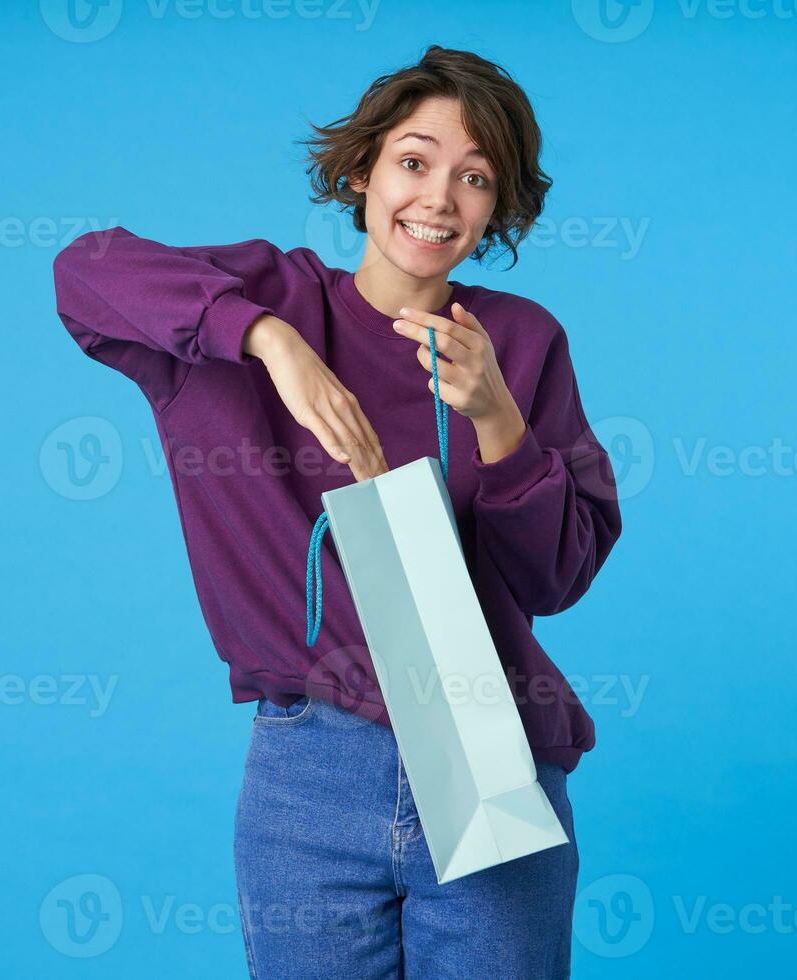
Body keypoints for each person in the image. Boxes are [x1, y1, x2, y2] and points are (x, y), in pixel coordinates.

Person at [52, 45, 622, 979]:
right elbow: (88, 271)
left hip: (492, 751)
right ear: (361, 169)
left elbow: (557, 578)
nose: (439, 198)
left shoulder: (519, 342)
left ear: (497, 207)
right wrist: (268, 339)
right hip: (308, 778)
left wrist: (497, 419)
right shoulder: (266, 302)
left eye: (474, 178)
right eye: (414, 160)